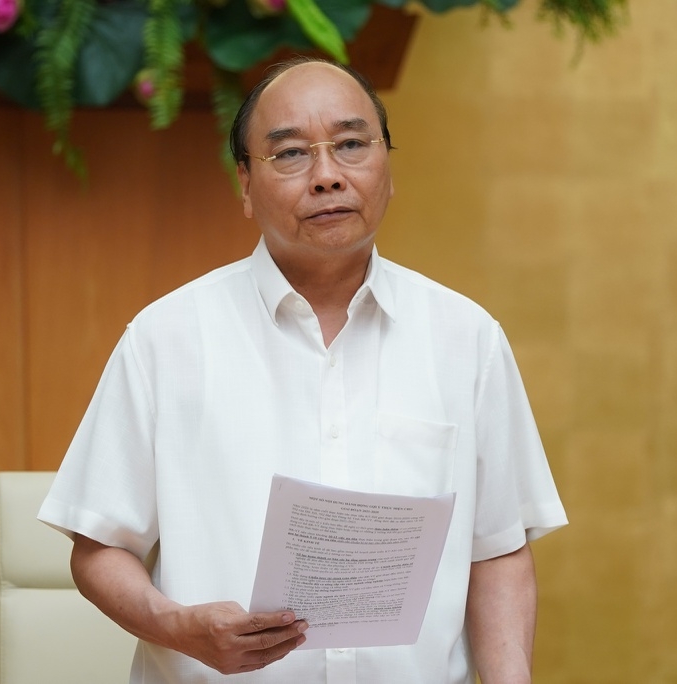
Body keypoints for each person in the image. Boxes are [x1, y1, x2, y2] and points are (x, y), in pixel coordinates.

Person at [38, 56, 567, 684]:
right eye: (290, 154)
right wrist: (177, 626)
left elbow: (497, 548)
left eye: (350, 145)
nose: (327, 177)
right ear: (244, 183)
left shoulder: (466, 337)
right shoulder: (167, 337)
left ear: (388, 167)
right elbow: (99, 546)